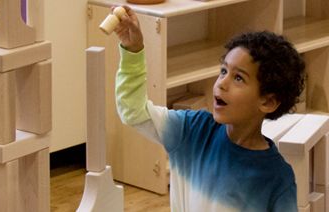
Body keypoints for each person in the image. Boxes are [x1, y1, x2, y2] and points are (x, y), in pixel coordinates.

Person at [113, 5, 305, 212]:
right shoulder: (191, 130)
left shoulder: (277, 178)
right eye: (223, 71)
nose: (222, 83)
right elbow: (133, 111)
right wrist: (133, 51)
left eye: (238, 77)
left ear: (267, 102)